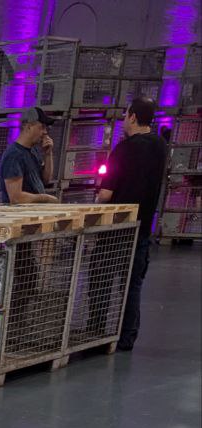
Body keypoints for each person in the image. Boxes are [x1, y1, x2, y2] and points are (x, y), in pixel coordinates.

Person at [97, 97, 168, 351]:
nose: (124, 120)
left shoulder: (123, 150)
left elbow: (105, 194)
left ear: (133, 117)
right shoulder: (160, 146)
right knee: (132, 284)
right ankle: (127, 337)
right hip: (142, 226)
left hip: (116, 229)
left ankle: (96, 332)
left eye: (126, 115)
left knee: (101, 279)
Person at [0, 107, 58, 204]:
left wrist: (48, 154)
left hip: (35, 211)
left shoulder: (33, 151)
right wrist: (45, 198)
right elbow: (16, 198)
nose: (45, 132)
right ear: (29, 127)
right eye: (42, 127)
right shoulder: (14, 155)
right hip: (20, 212)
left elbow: (45, 180)